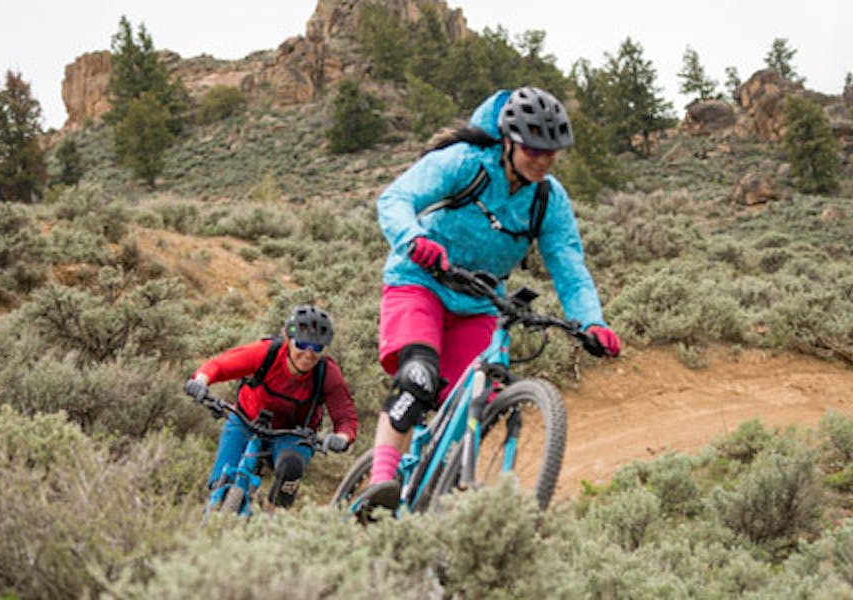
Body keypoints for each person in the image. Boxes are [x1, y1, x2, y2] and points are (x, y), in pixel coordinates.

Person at [358, 86, 622, 511]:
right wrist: (414, 239)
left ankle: (437, 491)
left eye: (551, 151)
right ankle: (380, 486)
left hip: (480, 301)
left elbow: (569, 267)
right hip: (419, 281)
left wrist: (591, 322)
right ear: (508, 141)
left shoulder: (548, 200)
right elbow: (396, 199)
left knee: (479, 400)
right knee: (418, 377)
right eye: (533, 149)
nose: (543, 159)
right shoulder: (466, 163)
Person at [185, 304, 358, 511]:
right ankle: (215, 512)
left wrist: (341, 438)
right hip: (245, 419)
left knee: (291, 467)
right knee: (222, 480)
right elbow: (220, 365)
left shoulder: (327, 373)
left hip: (293, 433)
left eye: (317, 348)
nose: (308, 354)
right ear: (288, 339)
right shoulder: (267, 352)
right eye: (302, 344)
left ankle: (273, 517)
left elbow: (345, 416)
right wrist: (201, 381)